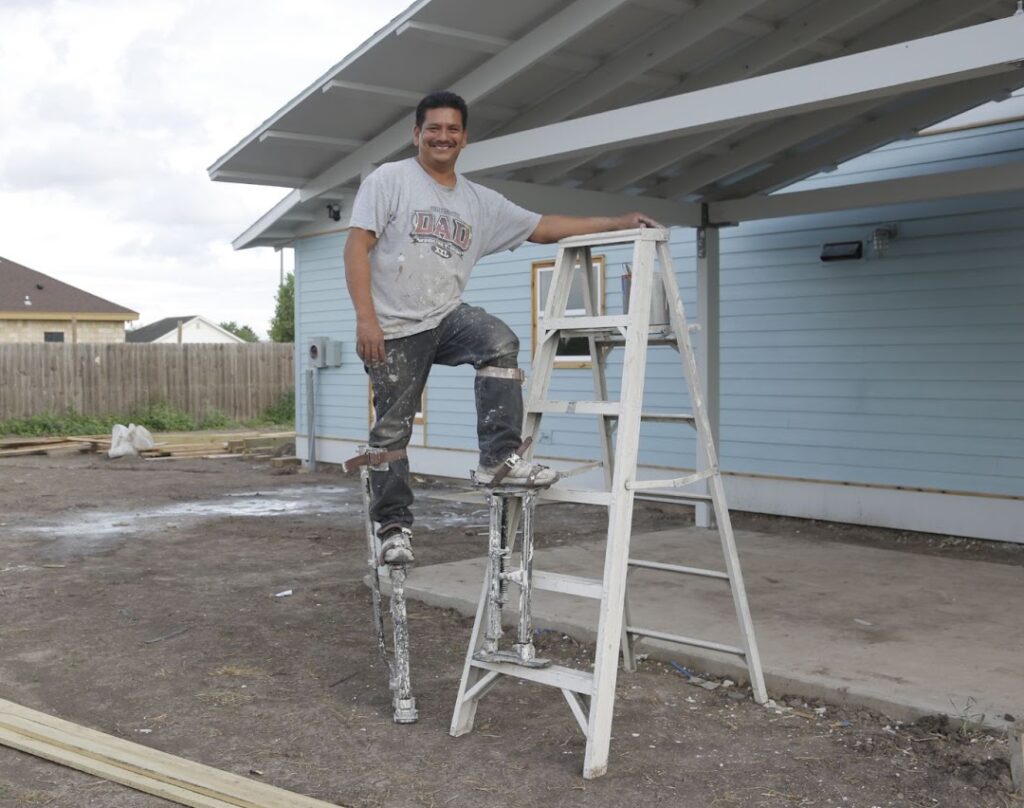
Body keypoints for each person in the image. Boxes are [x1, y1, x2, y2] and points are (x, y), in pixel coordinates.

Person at [344, 91, 658, 565]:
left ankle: (499, 458)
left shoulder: (477, 201)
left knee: (498, 341)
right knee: (391, 434)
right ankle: (394, 529)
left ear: (465, 138)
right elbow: (355, 248)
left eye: (452, 129)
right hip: (392, 327)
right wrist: (366, 318)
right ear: (417, 134)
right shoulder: (390, 181)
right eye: (433, 128)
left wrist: (618, 221)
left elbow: (544, 226)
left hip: (445, 316)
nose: (443, 137)